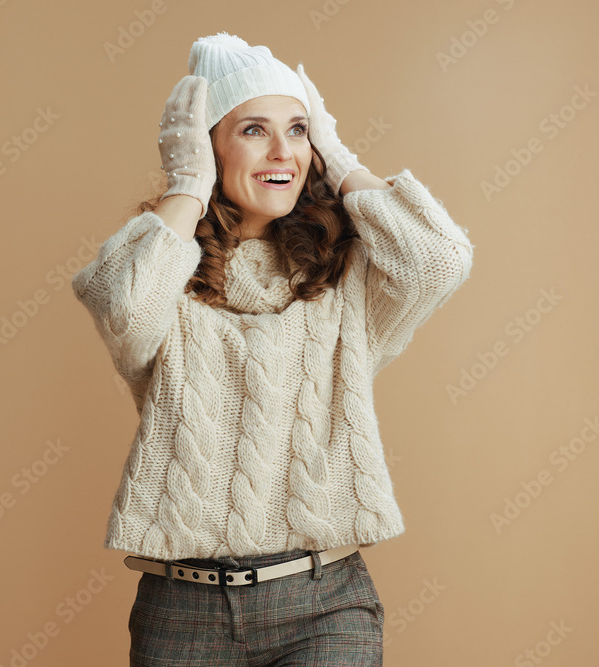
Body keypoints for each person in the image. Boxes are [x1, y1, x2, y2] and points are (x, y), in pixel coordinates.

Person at [71, 31, 474, 667]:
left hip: (326, 603)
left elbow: (439, 261)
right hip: (184, 614)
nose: (283, 151)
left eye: (298, 130)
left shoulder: (347, 272)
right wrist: (187, 185)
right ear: (207, 146)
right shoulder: (162, 268)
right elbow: (124, 309)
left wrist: (338, 157)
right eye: (254, 130)